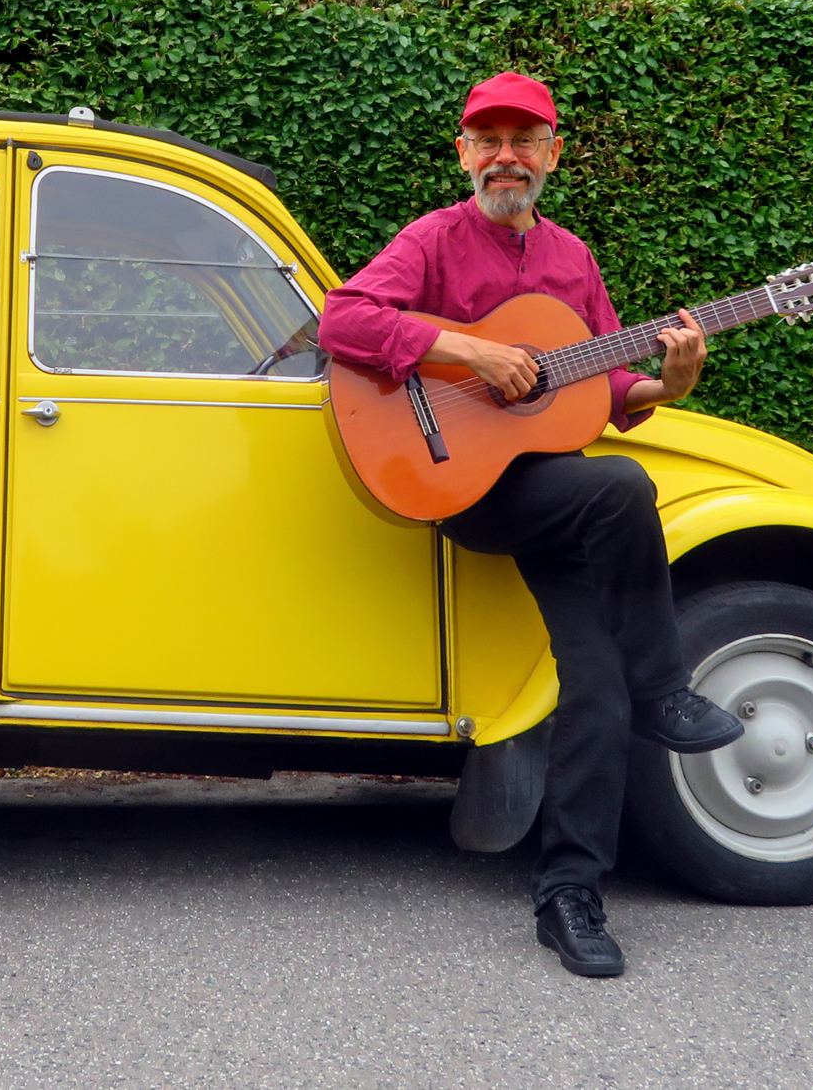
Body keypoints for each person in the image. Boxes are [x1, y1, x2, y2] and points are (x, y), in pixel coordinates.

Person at [317, 72, 743, 979]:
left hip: (557, 495)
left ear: (554, 153)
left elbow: (598, 383)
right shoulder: (433, 239)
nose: (505, 156)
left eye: (525, 139)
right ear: (463, 153)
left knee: (594, 684)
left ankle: (568, 896)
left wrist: (663, 386)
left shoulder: (571, 259)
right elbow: (343, 318)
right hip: (466, 487)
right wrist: (466, 347)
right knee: (623, 488)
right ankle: (668, 685)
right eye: (488, 139)